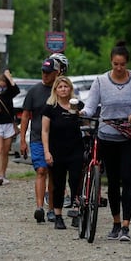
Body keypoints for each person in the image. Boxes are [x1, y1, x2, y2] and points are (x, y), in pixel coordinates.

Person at [81, 40, 131, 242]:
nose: (119, 68)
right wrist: (83, 112)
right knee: (112, 181)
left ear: (127, 63)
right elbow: (91, 107)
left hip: (129, 136)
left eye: (122, 64)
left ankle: (126, 226)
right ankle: (115, 222)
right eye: (115, 64)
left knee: (128, 178)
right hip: (107, 135)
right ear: (111, 62)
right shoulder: (101, 81)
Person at [42, 76, 84, 229]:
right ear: (55, 90)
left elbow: (86, 122)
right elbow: (45, 131)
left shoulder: (77, 105)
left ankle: (75, 210)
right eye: (60, 87)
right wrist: (46, 151)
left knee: (76, 181)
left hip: (75, 148)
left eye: (66, 87)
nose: (63, 89)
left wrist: (81, 114)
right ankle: (58, 215)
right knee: (58, 184)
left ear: (70, 89)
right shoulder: (50, 107)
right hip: (57, 149)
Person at [21, 58, 60, 223]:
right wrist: (22, 139)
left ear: (56, 73)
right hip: (37, 138)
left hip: (57, 139)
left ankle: (52, 208)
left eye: (48, 72)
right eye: (43, 72)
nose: (45, 75)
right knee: (41, 171)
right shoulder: (34, 91)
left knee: (54, 174)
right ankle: (39, 208)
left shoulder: (60, 91)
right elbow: (25, 116)